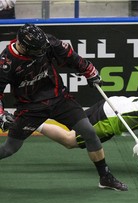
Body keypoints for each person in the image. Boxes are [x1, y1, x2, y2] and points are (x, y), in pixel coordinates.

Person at [0, 23, 128, 191]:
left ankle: (105, 177)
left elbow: (70, 56)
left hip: (59, 98)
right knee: (10, 148)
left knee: (89, 131)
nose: (42, 52)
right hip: (30, 107)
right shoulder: (6, 63)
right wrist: (1, 115)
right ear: (23, 46)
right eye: (38, 51)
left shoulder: (45, 43)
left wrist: (89, 71)